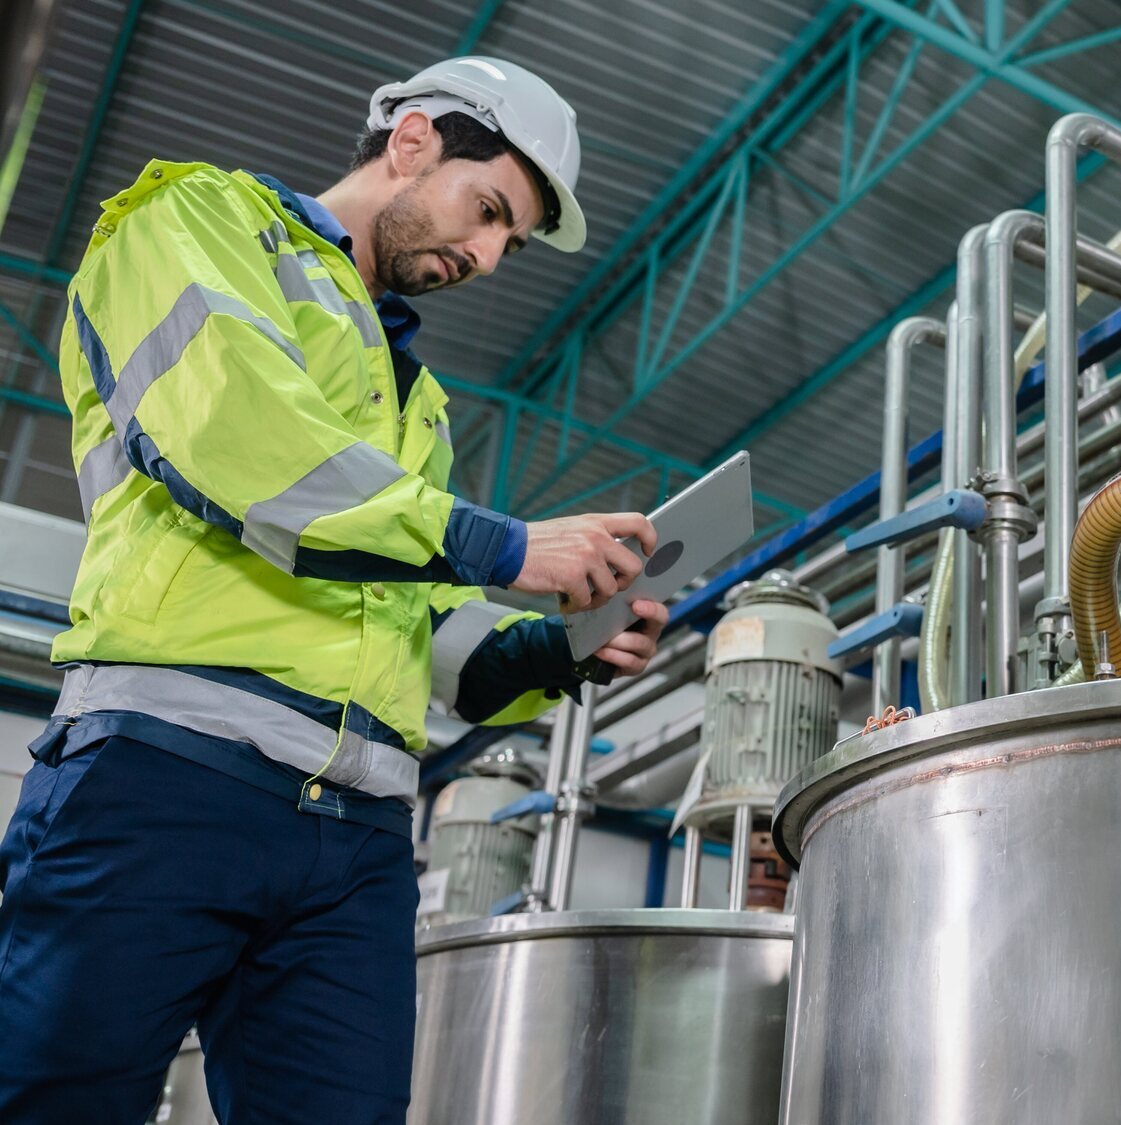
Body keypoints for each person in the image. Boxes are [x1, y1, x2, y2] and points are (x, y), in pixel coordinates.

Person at [0, 56, 661, 1123]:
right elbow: (238, 443)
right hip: (165, 775)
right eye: (486, 210)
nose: (487, 256)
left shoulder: (419, 401)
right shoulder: (199, 219)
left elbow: (419, 620)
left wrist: (555, 649)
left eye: (509, 242)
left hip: (356, 840)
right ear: (411, 140)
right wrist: (503, 546)